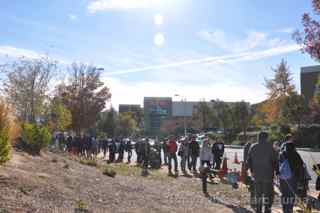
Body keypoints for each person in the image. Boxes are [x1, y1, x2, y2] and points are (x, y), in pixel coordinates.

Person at [247, 132, 278, 213]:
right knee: (268, 194)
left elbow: (249, 160)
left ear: (258, 137)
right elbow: (275, 161)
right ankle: (267, 209)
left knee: (258, 194)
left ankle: (258, 209)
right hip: (268, 174)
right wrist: (277, 171)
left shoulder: (253, 146)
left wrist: (252, 171)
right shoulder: (270, 147)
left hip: (256, 174)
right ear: (266, 138)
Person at [279, 135, 310, 213]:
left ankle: (284, 209)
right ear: (293, 147)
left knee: (284, 194)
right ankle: (289, 210)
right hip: (293, 177)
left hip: (282, 178)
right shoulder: (295, 154)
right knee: (291, 194)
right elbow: (301, 165)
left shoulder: (281, 153)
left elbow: (277, 165)